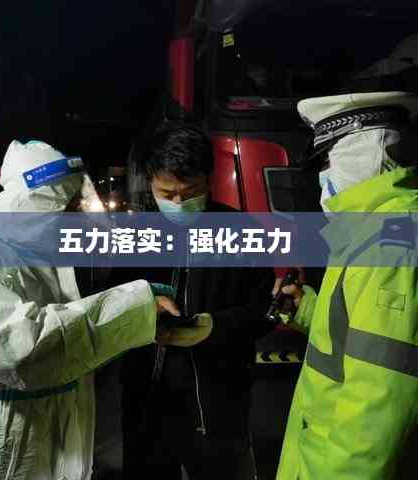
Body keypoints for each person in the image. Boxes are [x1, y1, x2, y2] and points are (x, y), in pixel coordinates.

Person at [0, 139, 180, 480]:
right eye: (69, 206)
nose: (79, 215)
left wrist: (141, 324)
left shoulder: (42, 265)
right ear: (37, 208)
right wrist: (133, 310)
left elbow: (70, 344)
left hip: (40, 451)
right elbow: (23, 350)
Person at [120, 123, 275, 480]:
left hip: (218, 403)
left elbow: (264, 310)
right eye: (167, 193)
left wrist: (213, 327)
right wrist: (142, 306)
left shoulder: (243, 231)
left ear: (208, 180)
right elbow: (110, 301)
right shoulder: (134, 235)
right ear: (150, 182)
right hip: (148, 401)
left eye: (190, 192)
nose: (178, 203)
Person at [276, 91, 418, 479]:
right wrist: (307, 308)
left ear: (362, 153)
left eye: (327, 161)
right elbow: (367, 337)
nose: (323, 177)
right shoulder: (372, 230)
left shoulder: (391, 245)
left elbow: (377, 411)